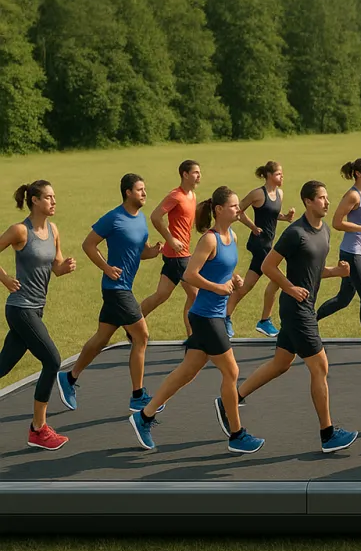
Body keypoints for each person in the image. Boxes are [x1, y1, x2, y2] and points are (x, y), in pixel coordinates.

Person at [222, 180, 358, 453]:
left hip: (304, 306)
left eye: (326, 197)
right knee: (320, 367)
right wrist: (289, 287)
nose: (327, 202)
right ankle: (328, 434)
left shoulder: (325, 232)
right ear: (308, 201)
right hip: (296, 309)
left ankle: (232, 399)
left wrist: (336, 272)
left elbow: (312, 270)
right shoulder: (295, 233)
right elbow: (267, 265)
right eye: (321, 198)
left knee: (282, 363)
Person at [129, 187, 266, 453]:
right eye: (234, 206)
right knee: (232, 372)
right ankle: (237, 435)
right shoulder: (209, 240)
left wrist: (234, 279)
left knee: (186, 372)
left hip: (211, 315)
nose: (239, 210)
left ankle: (143, 416)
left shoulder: (233, 236)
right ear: (219, 210)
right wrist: (217, 288)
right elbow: (190, 275)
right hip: (205, 317)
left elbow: (223, 269)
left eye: (239, 206)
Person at [57, 174, 164, 413]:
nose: (144, 193)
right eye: (139, 190)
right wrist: (105, 267)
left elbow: (140, 252)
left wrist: (154, 251)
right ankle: (137, 396)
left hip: (124, 287)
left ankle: (69, 378)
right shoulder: (114, 218)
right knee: (141, 336)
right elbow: (88, 244)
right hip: (116, 289)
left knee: (101, 338)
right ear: (128, 192)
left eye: (145, 189)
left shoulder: (141, 219)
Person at [0, 181, 76, 450]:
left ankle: (38, 429)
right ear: (34, 200)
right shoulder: (20, 230)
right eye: (48, 197)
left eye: (54, 197)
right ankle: (38, 429)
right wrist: (6, 279)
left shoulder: (53, 230)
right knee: (53, 360)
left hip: (36, 309)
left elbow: (55, 266)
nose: (54, 202)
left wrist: (64, 267)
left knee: (3, 367)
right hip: (20, 309)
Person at [316, 159, 361, 362]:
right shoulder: (353, 195)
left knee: (343, 299)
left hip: (359, 252)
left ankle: (309, 323)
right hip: (350, 253)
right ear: (357, 173)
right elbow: (337, 222)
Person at [226, 161, 295, 338]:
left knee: (247, 285)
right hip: (259, 245)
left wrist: (285, 217)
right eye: (279, 174)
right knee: (280, 279)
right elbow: (237, 211)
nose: (282, 177)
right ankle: (265, 321)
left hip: (268, 244)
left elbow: (271, 214)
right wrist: (252, 226)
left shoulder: (279, 193)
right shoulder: (258, 193)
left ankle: (224, 316)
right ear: (269, 175)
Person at [137, 160, 200, 336]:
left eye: (199, 172)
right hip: (177, 256)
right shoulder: (176, 196)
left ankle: (133, 322)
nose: (199, 176)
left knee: (161, 294)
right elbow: (156, 216)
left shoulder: (192, 196)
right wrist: (171, 239)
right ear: (185, 175)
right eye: (195, 172)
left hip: (180, 253)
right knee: (196, 296)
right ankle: (193, 337)